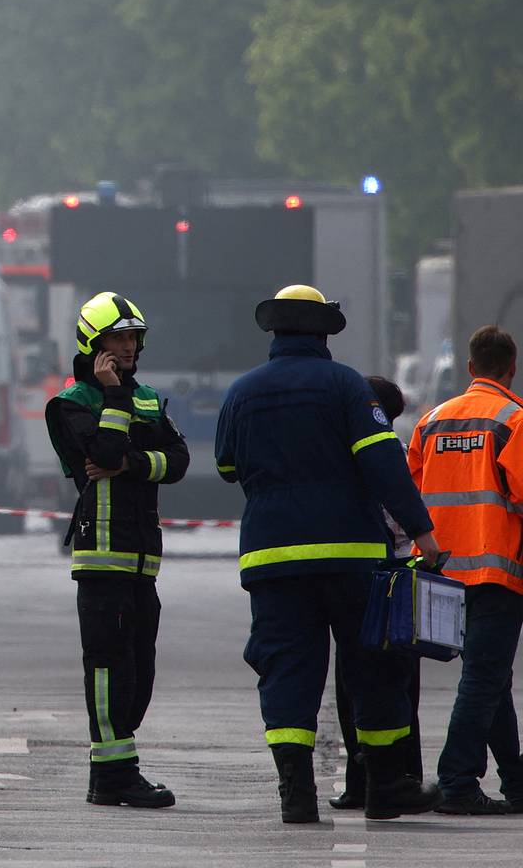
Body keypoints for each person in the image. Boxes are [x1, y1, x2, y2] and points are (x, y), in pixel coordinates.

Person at [214, 284, 442, 823]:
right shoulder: (347, 387)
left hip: (272, 559)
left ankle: (296, 794)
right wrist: (423, 533)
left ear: (275, 331)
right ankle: (385, 788)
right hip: (351, 556)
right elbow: (384, 463)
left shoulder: (242, 393)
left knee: (286, 670)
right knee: (372, 669)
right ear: (322, 332)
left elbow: (227, 467)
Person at [44, 291, 189, 809]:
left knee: (141, 668)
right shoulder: (70, 403)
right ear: (93, 343)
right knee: (109, 666)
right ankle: (112, 775)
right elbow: (100, 450)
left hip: (142, 558)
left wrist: (130, 464)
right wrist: (114, 400)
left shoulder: (147, 396)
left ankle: (116, 765)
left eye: (133, 337)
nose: (129, 346)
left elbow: (177, 462)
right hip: (101, 554)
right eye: (118, 337)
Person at [407, 324, 523, 815]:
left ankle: (517, 782)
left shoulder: (431, 421)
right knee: (484, 676)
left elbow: (407, 492)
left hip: (439, 574)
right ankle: (457, 781)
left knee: (488, 678)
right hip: (496, 573)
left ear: (470, 368)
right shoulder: (514, 420)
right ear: (511, 369)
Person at [328, 375, 424, 810]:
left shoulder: (337, 454)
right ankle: (402, 776)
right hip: (396, 572)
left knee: (350, 680)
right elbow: (405, 516)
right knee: (397, 680)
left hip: (353, 572)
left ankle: (357, 780)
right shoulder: (393, 454)